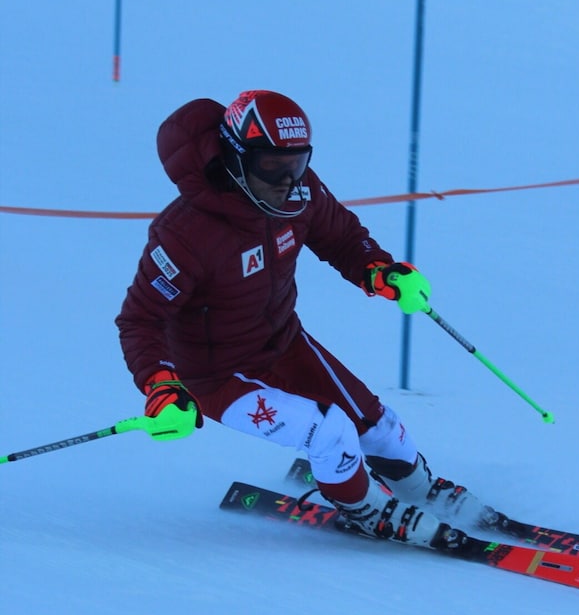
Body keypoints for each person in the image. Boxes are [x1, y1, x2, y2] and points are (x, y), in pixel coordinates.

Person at [116, 90, 493, 550]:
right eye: (271, 166)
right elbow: (141, 319)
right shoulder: (185, 234)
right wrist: (161, 385)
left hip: (282, 342)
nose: (287, 180)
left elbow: (343, 239)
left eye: (296, 163)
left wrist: (380, 270)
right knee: (330, 431)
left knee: (379, 427)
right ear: (236, 158)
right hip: (214, 375)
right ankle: (365, 510)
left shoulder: (299, 192)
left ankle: (418, 487)